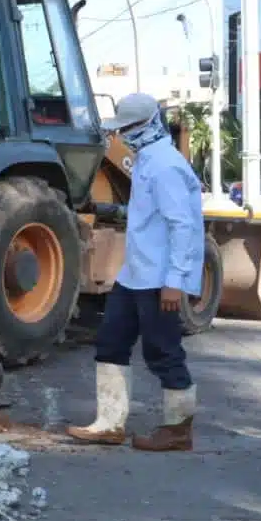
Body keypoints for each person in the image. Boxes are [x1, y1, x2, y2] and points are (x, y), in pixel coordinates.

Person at [65, 91, 205, 452]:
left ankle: (178, 430)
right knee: (110, 342)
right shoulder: (146, 160)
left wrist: (175, 281)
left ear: (148, 124)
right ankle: (109, 423)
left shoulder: (165, 166)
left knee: (163, 351)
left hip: (160, 279)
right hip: (134, 275)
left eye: (128, 128)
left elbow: (183, 227)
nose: (122, 135)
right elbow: (150, 215)